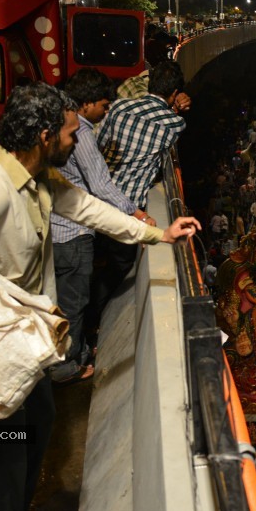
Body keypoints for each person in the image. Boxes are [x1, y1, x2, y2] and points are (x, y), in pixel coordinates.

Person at [0, 82, 201, 511]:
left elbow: (84, 206)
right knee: (3, 452)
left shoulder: (36, 174)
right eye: (69, 133)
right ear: (44, 135)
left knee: (39, 421)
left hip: (27, 334)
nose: (77, 140)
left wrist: (156, 234)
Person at [49, 68, 155, 385]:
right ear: (87, 104)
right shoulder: (78, 132)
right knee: (74, 303)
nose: (105, 113)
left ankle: (73, 352)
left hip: (54, 230)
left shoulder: (60, 125)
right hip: (72, 233)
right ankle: (67, 365)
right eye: (104, 106)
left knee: (62, 299)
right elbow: (100, 186)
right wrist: (136, 213)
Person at [92, 60, 191, 324]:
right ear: (173, 94)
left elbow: (98, 144)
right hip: (129, 208)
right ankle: (96, 319)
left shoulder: (120, 106)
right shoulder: (174, 123)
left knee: (93, 262)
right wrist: (177, 108)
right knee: (120, 266)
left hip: (99, 197)